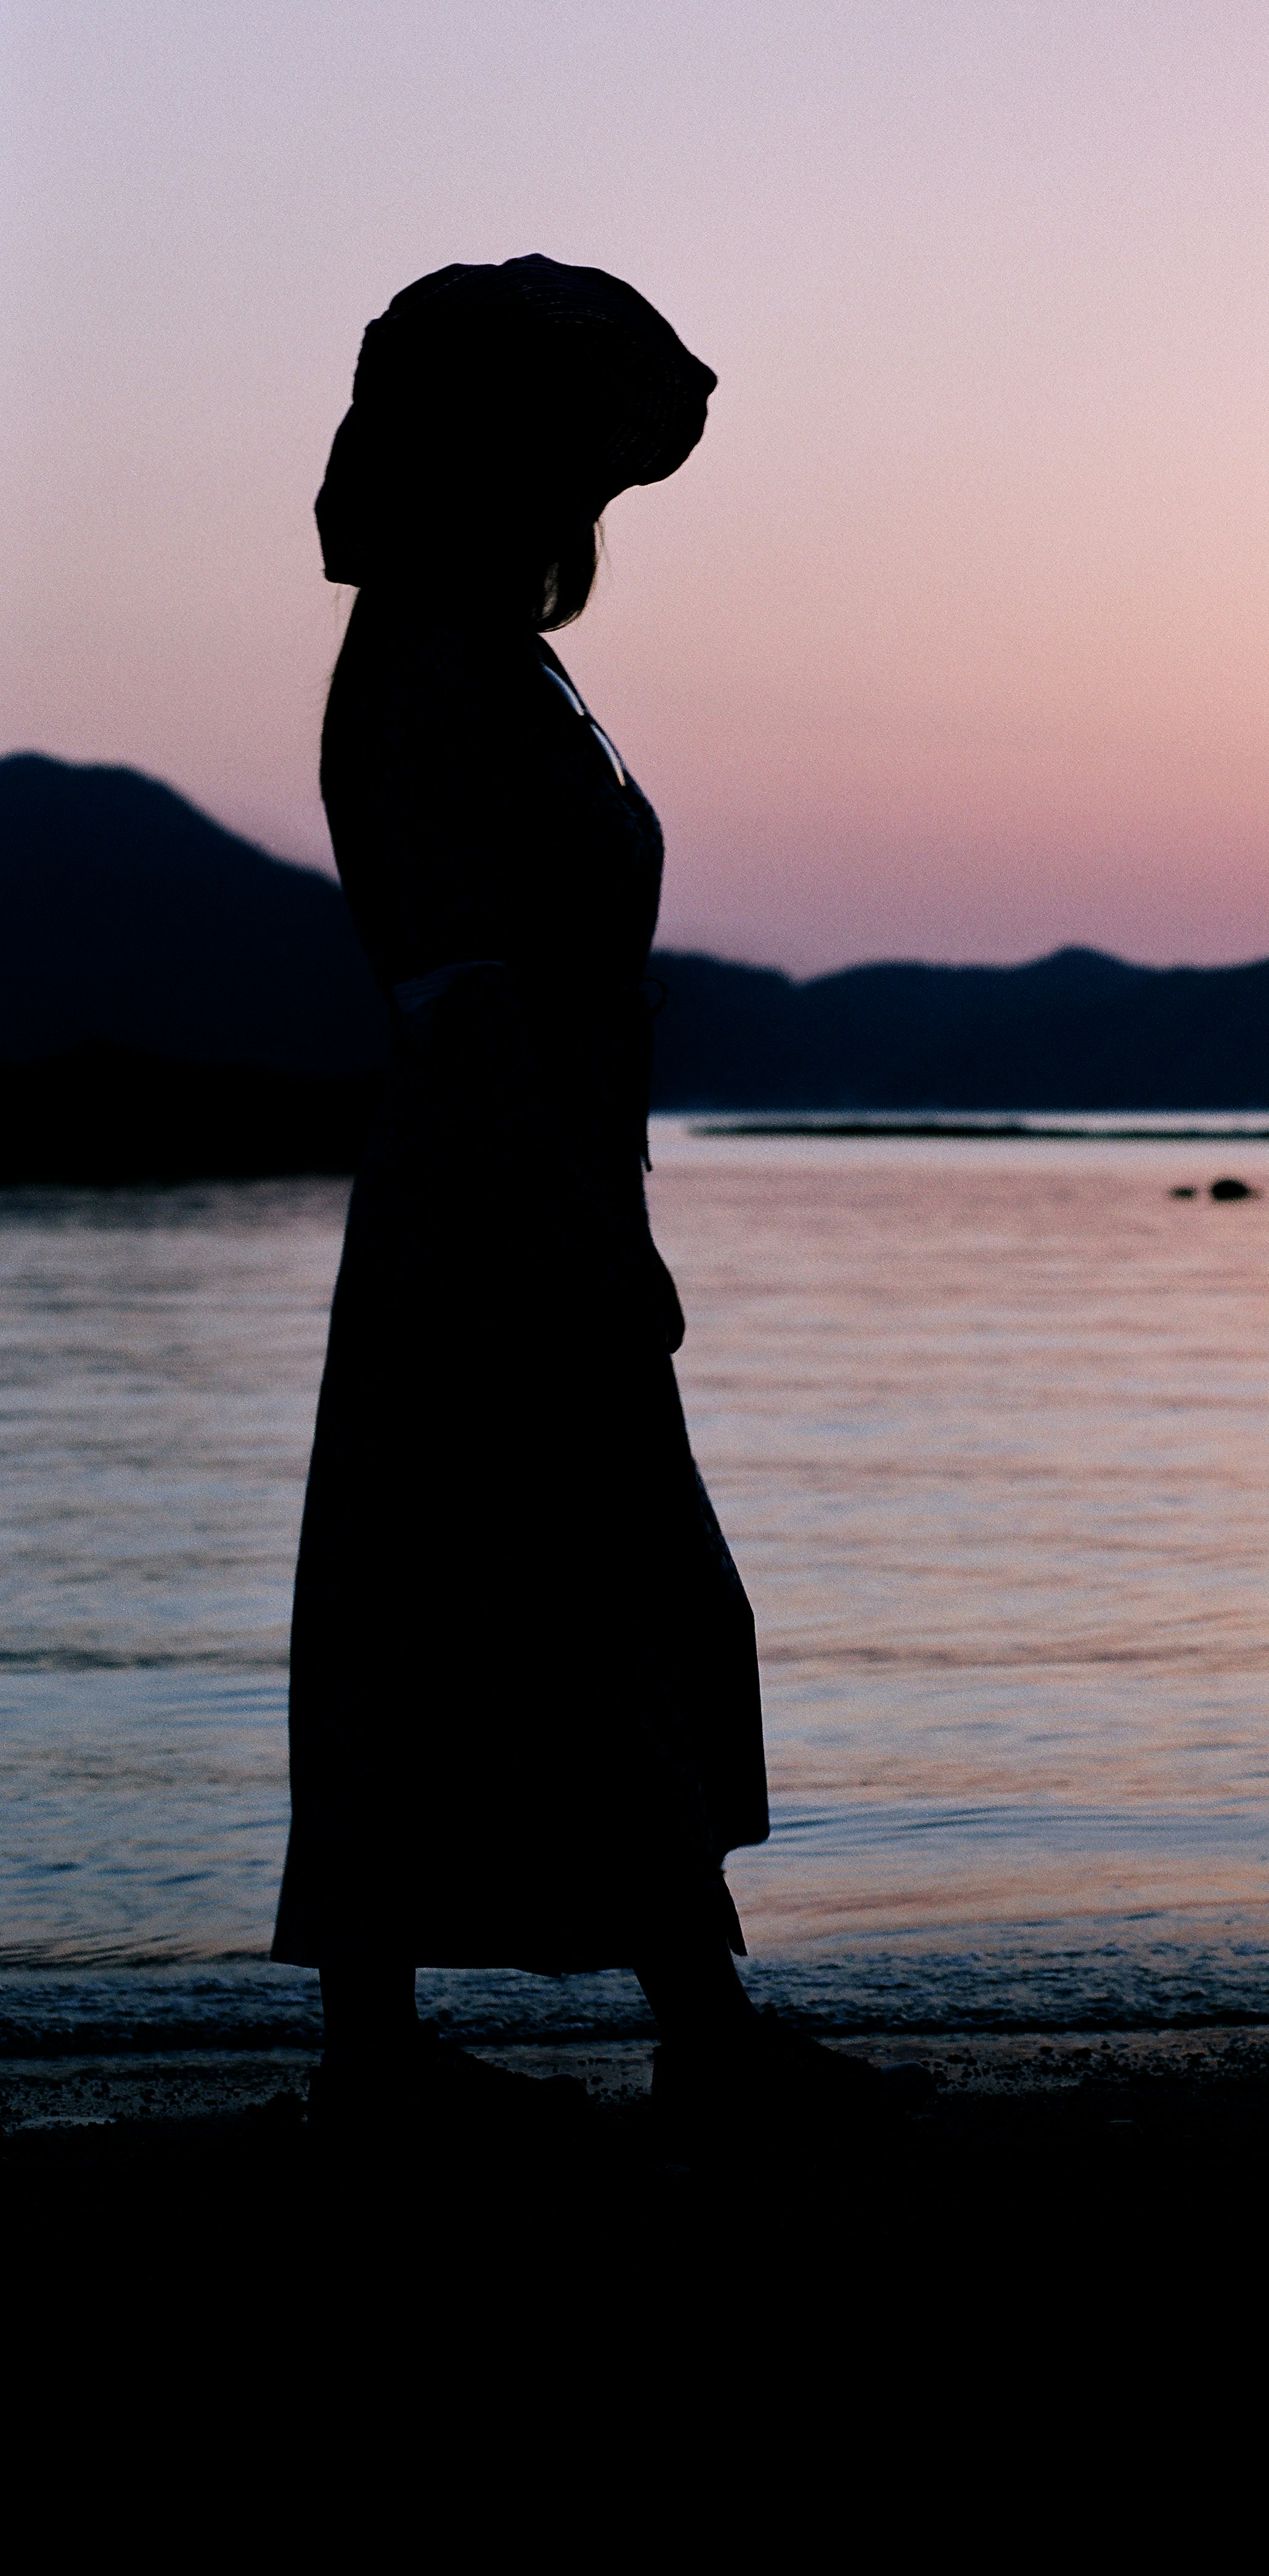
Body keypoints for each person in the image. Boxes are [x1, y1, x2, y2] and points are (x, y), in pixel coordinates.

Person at [274, 255, 898, 2142]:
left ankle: (620, 2020)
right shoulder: (428, 669)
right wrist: (577, 1224)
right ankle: (497, 2038)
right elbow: (458, 983)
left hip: (534, 1165)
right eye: (567, 458)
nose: (593, 497)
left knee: (543, 1590)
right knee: (506, 1592)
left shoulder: (502, 662)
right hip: (492, 1182)